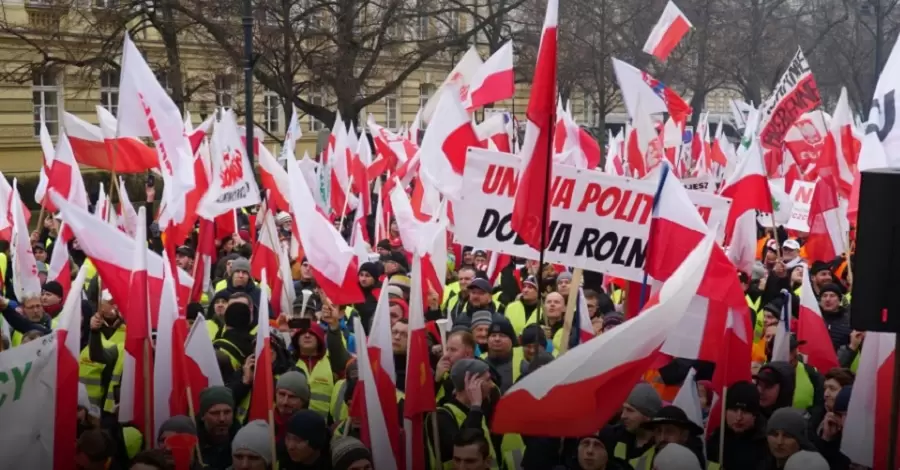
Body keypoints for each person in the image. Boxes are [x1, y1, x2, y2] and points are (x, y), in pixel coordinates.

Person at [427, 358, 498, 468]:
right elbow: (465, 448)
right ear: (471, 383)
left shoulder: (478, 410)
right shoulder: (441, 417)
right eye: (488, 380)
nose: (492, 385)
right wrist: (475, 407)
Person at [705, 381, 767, 470]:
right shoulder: (717, 438)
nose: (738, 417)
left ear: (755, 415)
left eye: (745, 412)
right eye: (734, 410)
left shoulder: (766, 442)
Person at [612, 383, 662, 470]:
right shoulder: (613, 435)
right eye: (623, 409)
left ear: (647, 416)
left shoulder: (660, 450)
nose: (623, 416)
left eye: (630, 410)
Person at [196, 386, 241, 469]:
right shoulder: (193, 446)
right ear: (203, 416)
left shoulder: (243, 443)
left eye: (227, 412)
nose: (222, 419)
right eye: (215, 413)